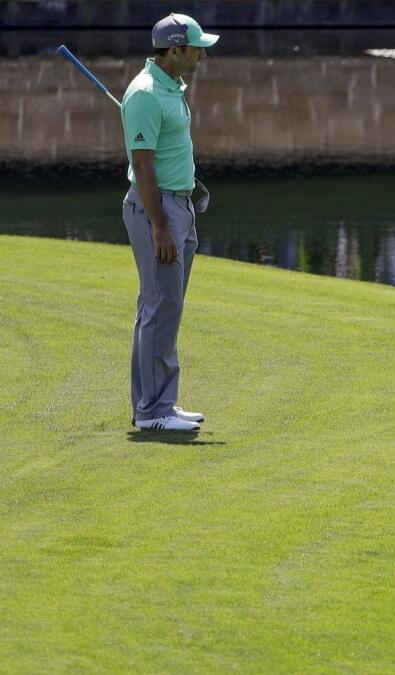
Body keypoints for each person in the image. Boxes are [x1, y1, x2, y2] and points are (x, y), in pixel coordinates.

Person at [121, 13, 218, 431]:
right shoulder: (145, 94)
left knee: (162, 306)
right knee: (161, 307)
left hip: (179, 205)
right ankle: (152, 412)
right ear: (175, 49)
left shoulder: (169, 87)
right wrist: (160, 225)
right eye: (196, 47)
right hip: (156, 210)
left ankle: (160, 401)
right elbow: (142, 168)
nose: (202, 53)